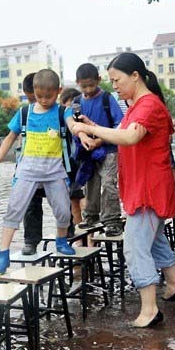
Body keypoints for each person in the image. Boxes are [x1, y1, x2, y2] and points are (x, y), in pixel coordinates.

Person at [71, 53, 175, 328]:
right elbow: (119, 133)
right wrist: (90, 132)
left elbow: (131, 136)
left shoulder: (148, 105)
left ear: (135, 76)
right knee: (155, 240)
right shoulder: (135, 106)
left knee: (134, 248)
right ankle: (173, 286)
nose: (114, 86)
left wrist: (91, 127)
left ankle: (149, 309)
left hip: (148, 190)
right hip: (145, 186)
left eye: (117, 80)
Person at [0, 69, 76, 275]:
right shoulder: (24, 113)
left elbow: (72, 126)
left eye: (49, 96)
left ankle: (61, 239)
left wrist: (82, 132)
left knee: (64, 211)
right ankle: (3, 253)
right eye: (40, 96)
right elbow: (10, 138)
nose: (45, 100)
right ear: (33, 92)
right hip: (27, 171)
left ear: (58, 91)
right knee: (14, 209)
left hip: (54, 171)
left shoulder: (61, 112)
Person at [68, 63, 124, 236]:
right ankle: (91, 215)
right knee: (91, 183)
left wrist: (100, 140)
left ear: (99, 80)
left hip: (109, 148)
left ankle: (112, 220)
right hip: (89, 151)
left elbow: (120, 124)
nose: (88, 89)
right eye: (84, 86)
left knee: (108, 182)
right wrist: (84, 139)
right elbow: (74, 126)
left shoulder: (107, 99)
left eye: (91, 85)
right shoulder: (77, 102)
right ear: (78, 83)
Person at [18, 72, 46, 254]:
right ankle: (31, 241)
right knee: (30, 204)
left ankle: (66, 234)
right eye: (30, 99)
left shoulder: (58, 112)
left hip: (54, 166)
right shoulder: (25, 112)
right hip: (30, 167)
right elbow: (14, 136)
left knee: (62, 202)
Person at [59, 88, 85, 236]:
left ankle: (91, 238)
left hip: (84, 165)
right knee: (73, 201)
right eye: (68, 106)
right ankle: (80, 237)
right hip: (68, 167)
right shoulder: (60, 121)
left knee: (84, 201)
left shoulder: (84, 120)